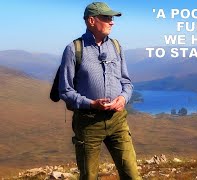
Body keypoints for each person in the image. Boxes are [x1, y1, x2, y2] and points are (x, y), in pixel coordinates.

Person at [59, 2, 140, 179]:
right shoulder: (74, 49)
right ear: (91, 21)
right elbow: (65, 90)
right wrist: (91, 104)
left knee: (132, 175)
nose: (112, 22)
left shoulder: (116, 46)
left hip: (117, 120)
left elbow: (127, 82)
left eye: (112, 18)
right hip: (88, 123)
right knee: (89, 176)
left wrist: (123, 98)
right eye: (107, 18)